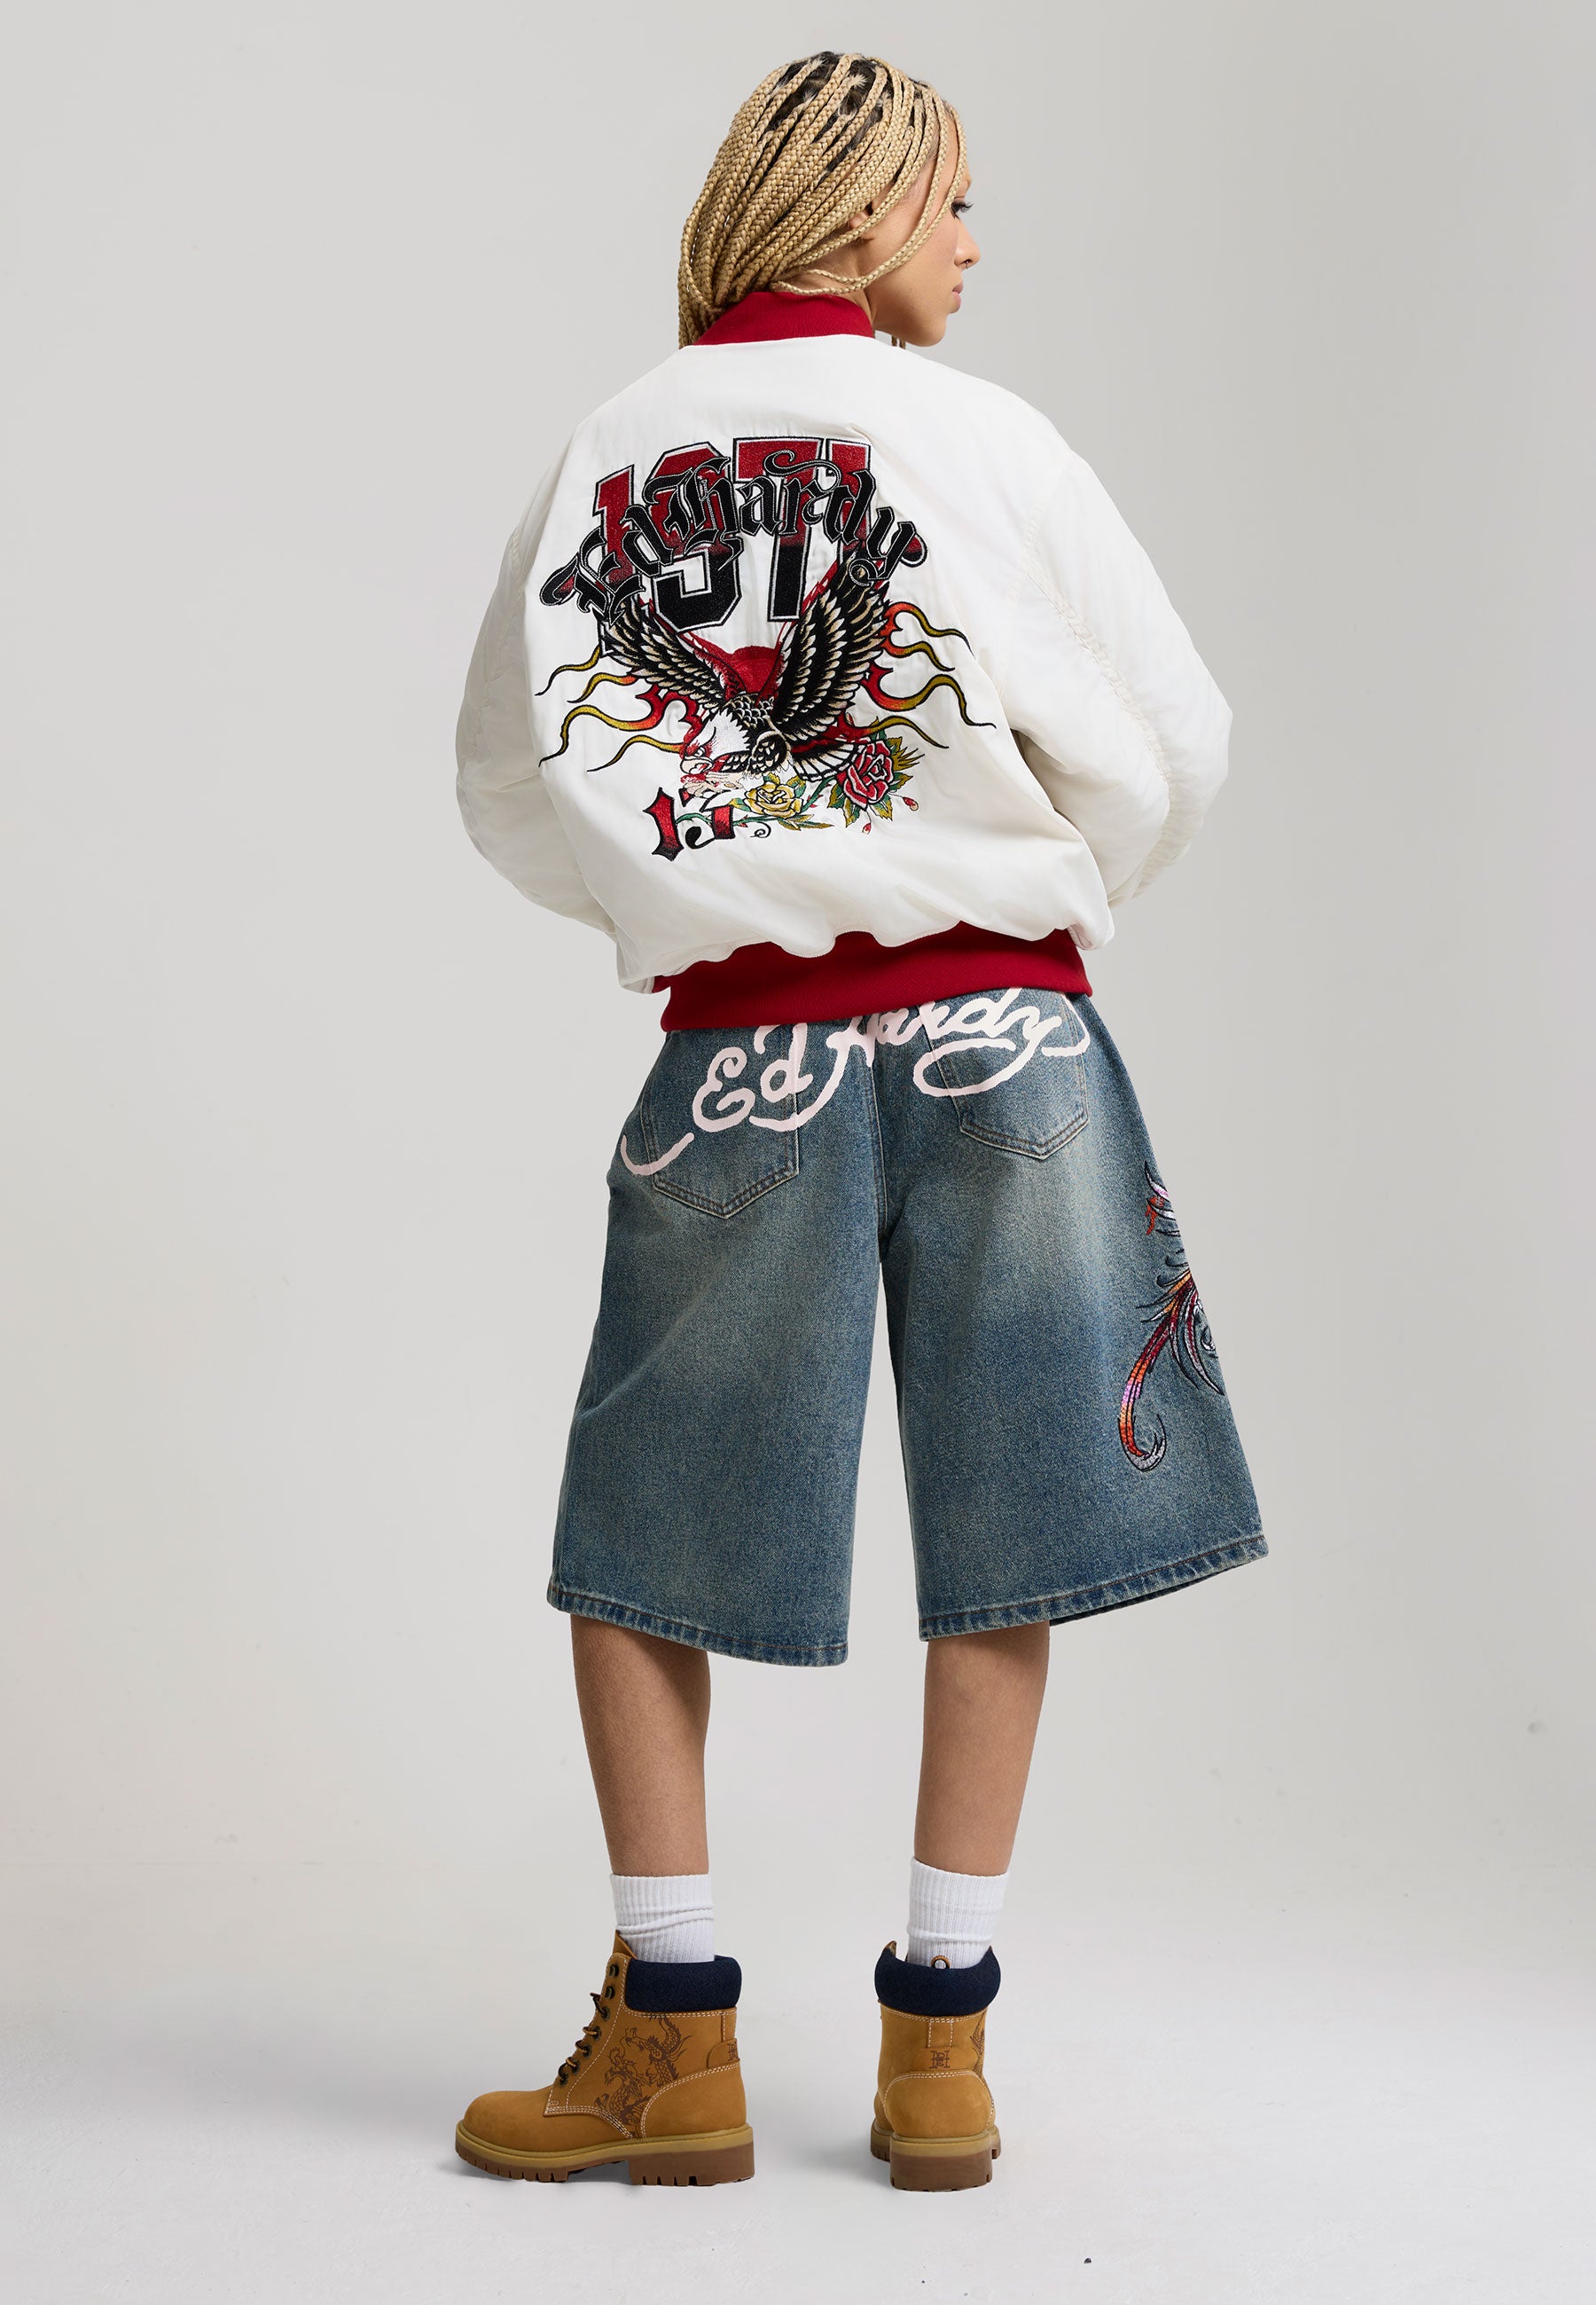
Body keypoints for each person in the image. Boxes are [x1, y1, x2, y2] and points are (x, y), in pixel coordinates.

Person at [450, 51, 1264, 2192]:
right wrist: (1017, 888)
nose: (978, 242)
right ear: (866, 207)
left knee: (649, 1533)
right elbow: (1175, 734)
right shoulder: (989, 439)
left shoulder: (613, 445)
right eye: (956, 199)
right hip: (1013, 1038)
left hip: (752, 1054)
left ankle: (675, 2038)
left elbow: (509, 783)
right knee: (1011, 1520)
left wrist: (708, 887)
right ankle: (943, 2050)